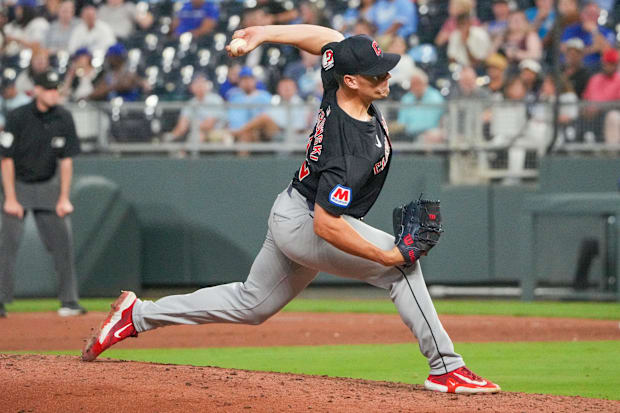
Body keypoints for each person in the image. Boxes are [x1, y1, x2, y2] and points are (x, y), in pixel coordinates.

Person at [81, 23, 500, 395]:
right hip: (308, 223)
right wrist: (387, 254)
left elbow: (326, 40)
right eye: (377, 73)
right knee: (401, 268)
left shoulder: (338, 81)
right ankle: (447, 368)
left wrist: (262, 32)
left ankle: (136, 315)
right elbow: (327, 226)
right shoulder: (347, 147)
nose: (387, 76)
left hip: (292, 207)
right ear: (351, 80)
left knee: (252, 304)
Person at [0, 70, 85, 319]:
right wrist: (11, 198)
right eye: (48, 89)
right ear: (36, 90)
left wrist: (64, 197)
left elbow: (66, 161)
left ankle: (69, 301)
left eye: (55, 89)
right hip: (19, 185)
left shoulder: (64, 117)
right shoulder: (17, 117)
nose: (53, 93)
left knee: (63, 244)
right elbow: (6, 159)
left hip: (49, 185)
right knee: (6, 245)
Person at [167, 73, 228, 144]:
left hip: (218, 131)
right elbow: (182, 125)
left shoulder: (215, 99)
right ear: (191, 87)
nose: (200, 86)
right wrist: (171, 137)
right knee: (192, 136)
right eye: (196, 83)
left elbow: (209, 125)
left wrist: (190, 126)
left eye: (202, 83)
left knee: (198, 136)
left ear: (207, 85)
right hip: (197, 131)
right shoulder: (191, 103)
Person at [395, 67, 445, 143]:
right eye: (413, 84)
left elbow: (433, 122)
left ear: (425, 84)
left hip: (431, 135)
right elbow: (402, 123)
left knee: (434, 135)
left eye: (418, 83)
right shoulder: (406, 99)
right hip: (409, 137)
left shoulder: (435, 97)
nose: (416, 87)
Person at [561, 1, 616, 69]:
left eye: (595, 14)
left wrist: (594, 31)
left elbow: (609, 53)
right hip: (571, 66)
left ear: (598, 16)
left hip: (595, 68)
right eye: (588, 14)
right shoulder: (571, 29)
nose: (591, 17)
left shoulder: (606, 32)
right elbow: (563, 48)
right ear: (582, 14)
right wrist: (593, 48)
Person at [581, 48, 620, 144]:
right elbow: (585, 98)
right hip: (589, 116)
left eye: (611, 63)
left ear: (616, 65)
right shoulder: (595, 79)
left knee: (613, 117)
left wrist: (599, 109)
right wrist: (586, 109)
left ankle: (611, 153)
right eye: (606, 63)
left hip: (607, 114)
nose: (608, 66)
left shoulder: (619, 79)